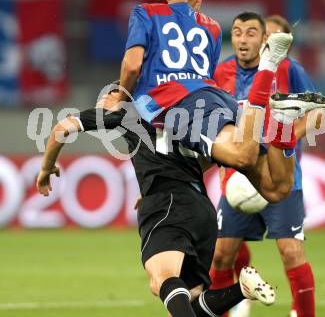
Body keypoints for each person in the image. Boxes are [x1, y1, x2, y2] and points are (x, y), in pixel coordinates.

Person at [35, 82, 276, 317]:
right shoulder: (185, 112)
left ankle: (239, 289)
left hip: (165, 202)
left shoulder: (125, 114)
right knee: (189, 298)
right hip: (200, 207)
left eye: (108, 94)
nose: (103, 100)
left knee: (163, 280)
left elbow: (62, 129)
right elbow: (209, 157)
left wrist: (46, 168)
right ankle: (240, 289)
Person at [109, 0, 325, 206]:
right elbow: (205, 79)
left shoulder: (146, 12)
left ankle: (266, 68)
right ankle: (284, 123)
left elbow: (131, 65)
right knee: (278, 190)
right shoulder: (210, 27)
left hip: (179, 108)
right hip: (213, 101)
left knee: (243, 157)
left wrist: (120, 98)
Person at [210, 13, 319, 317]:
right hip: (239, 179)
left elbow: (318, 116)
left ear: (262, 41)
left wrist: (281, 138)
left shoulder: (287, 69)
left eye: (251, 34)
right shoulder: (220, 74)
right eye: (238, 33)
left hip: (282, 179)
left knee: (291, 251)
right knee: (220, 257)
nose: (244, 40)